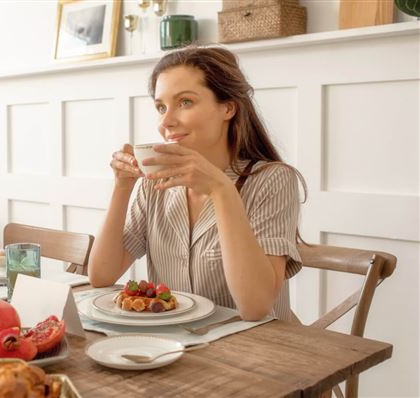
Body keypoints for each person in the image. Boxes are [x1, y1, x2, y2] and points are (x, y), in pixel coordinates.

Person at [87, 46, 305, 321]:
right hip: (180, 348)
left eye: (185, 102)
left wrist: (221, 191)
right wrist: (122, 187)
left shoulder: (272, 180)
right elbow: (101, 275)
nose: (166, 121)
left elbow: (255, 308)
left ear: (228, 107)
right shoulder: (155, 183)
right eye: (161, 107)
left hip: (257, 351)